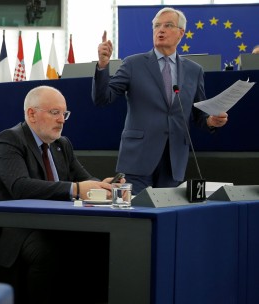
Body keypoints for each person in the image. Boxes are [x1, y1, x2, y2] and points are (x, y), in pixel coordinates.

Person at [0, 86, 116, 304]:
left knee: (95, 242)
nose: (61, 120)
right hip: (8, 229)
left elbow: (83, 179)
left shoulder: (62, 145)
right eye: (55, 112)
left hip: (47, 224)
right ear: (32, 114)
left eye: (64, 114)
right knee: (50, 249)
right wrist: (78, 189)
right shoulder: (10, 139)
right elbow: (20, 186)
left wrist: (103, 187)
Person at [92, 7, 228, 194]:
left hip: (174, 160)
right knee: (137, 215)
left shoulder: (194, 71)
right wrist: (103, 65)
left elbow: (198, 115)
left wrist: (211, 121)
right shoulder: (133, 64)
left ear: (181, 33)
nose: (160, 30)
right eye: (156, 26)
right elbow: (102, 98)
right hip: (137, 159)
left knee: (166, 216)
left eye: (167, 25)